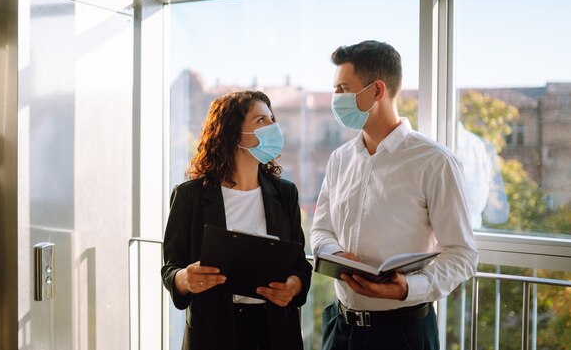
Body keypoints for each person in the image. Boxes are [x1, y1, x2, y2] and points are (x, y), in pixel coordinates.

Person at [310, 40, 478, 350]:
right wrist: (335, 253)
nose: (335, 99)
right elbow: (321, 229)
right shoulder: (339, 159)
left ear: (376, 90)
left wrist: (406, 288)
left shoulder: (435, 161)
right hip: (340, 327)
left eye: (343, 88)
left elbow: (462, 254)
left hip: (403, 333)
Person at [161, 90, 313, 350]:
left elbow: (300, 265)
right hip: (213, 332)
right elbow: (170, 269)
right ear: (232, 133)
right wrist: (186, 278)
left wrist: (293, 286)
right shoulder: (190, 196)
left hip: (275, 332)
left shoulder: (285, 193)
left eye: (272, 119)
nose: (273, 127)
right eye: (261, 121)